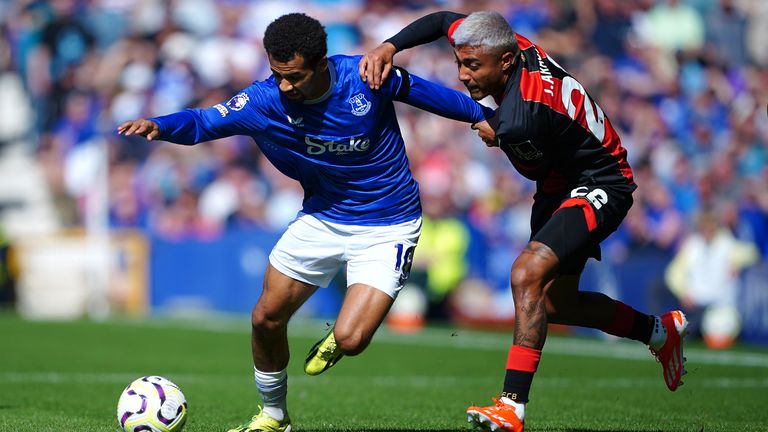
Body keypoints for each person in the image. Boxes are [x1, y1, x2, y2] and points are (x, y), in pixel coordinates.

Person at [118, 13, 492, 432]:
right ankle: (274, 416)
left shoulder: (366, 76)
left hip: (389, 223)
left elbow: (428, 95)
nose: (284, 86)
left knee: (351, 340)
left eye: (294, 77)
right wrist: (160, 125)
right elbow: (205, 121)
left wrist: (480, 115)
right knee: (265, 318)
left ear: (321, 63)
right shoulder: (263, 101)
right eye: (277, 75)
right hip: (322, 218)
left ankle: (341, 336)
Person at [359, 11, 688, 432]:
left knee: (525, 274)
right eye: (460, 62)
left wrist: (490, 130)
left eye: (473, 66)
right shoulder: (507, 42)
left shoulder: (520, 118)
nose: (463, 74)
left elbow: (524, 160)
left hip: (600, 180)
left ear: (506, 62)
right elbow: (445, 19)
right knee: (556, 303)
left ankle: (512, 405)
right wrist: (391, 46)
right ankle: (660, 332)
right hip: (560, 183)